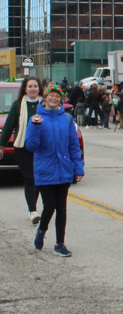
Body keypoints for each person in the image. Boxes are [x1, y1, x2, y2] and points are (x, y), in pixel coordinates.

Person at [26, 84, 84, 257]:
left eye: (57, 96)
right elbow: (31, 146)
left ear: (61, 99)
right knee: (49, 206)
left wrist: (78, 168)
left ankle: (60, 243)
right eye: (50, 95)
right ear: (45, 98)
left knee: (62, 208)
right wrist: (36, 127)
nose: (54, 98)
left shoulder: (66, 119)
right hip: (45, 169)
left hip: (64, 169)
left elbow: (74, 145)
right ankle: (42, 231)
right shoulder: (36, 118)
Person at [0, 76, 44, 223]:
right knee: (30, 178)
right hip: (22, 148)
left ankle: (37, 207)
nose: (33, 89)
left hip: (42, 149)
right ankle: (32, 210)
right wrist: (1, 145)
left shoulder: (45, 104)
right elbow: (8, 126)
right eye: (30, 86)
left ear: (39, 88)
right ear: (25, 89)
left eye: (35, 86)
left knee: (38, 179)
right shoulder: (18, 105)